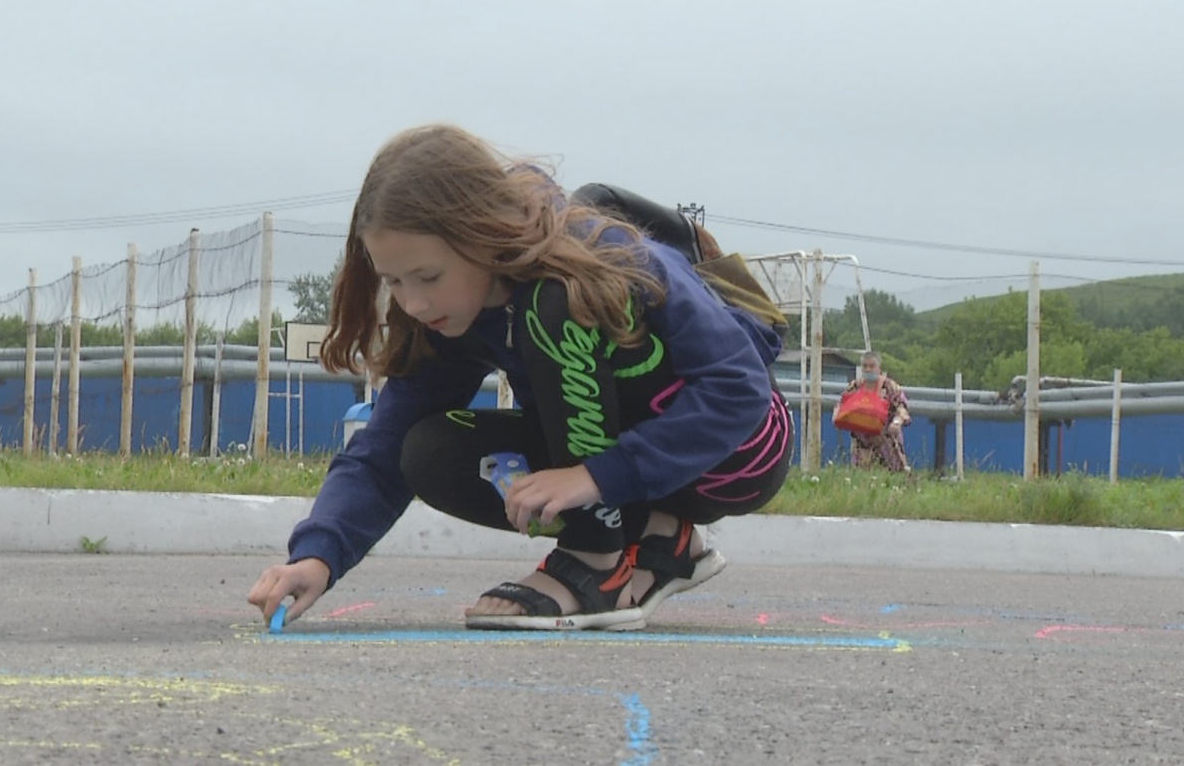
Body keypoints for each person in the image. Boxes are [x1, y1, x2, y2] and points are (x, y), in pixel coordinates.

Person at [247, 124, 793, 632]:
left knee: (553, 305)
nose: (413, 303)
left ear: (481, 234)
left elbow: (738, 389)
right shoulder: (449, 315)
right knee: (428, 451)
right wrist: (318, 555)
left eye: (428, 276)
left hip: (737, 453)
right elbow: (383, 444)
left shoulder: (603, 252)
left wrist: (598, 476)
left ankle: (595, 562)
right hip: (631, 470)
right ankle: (659, 540)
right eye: (394, 281)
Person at [841, 351, 911, 473]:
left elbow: (902, 407)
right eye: (865, 366)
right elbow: (842, 406)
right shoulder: (855, 387)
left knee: (894, 476)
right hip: (861, 445)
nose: (868, 369)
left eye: (872, 366)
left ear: (879, 368)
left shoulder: (890, 386)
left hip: (887, 442)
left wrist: (897, 422)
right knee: (862, 479)